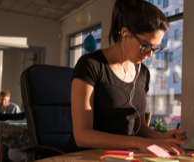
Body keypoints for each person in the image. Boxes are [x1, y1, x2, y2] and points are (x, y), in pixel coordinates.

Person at [68, 0, 187, 154]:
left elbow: (139, 128)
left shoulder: (143, 73)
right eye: (145, 45)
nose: (150, 54)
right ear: (125, 33)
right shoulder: (90, 65)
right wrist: (137, 143)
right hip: (86, 156)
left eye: (155, 48)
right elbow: (82, 136)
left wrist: (161, 137)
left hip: (123, 155)